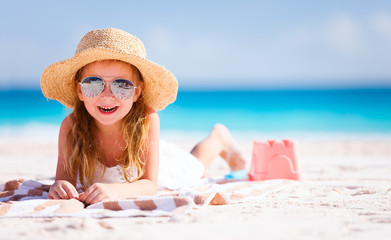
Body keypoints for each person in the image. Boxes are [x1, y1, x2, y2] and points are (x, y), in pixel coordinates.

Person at [41, 28, 246, 205]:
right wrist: (60, 187)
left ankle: (219, 137)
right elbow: (63, 180)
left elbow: (150, 185)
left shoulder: (147, 119)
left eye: (122, 85)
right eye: (94, 83)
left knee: (195, 168)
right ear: (79, 91)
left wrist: (115, 191)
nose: (107, 95)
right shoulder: (71, 126)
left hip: (159, 165)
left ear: (137, 93)